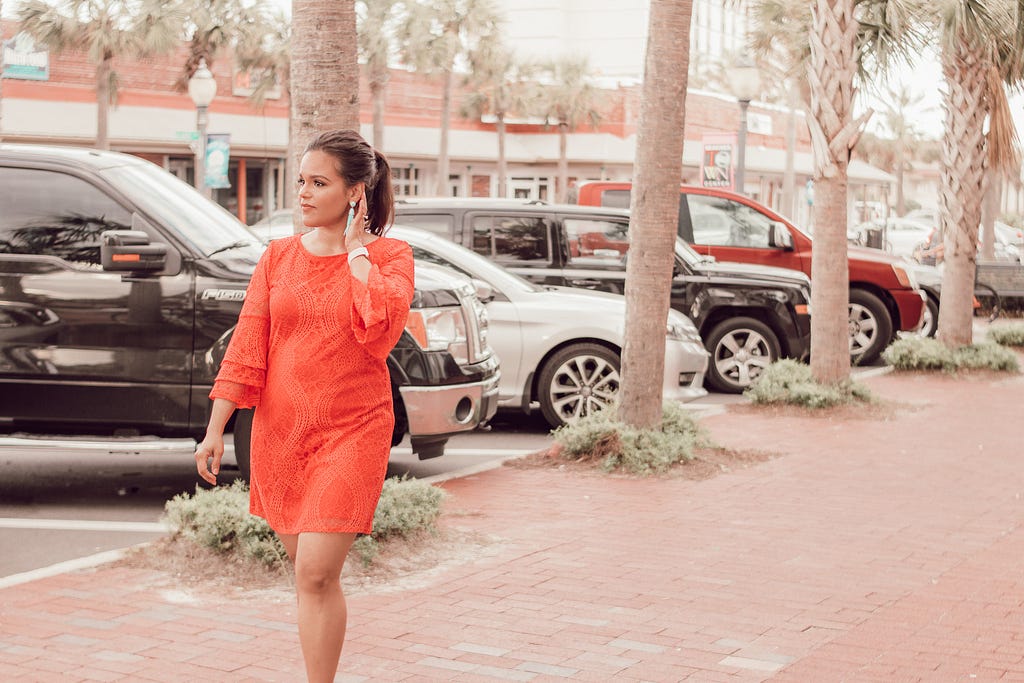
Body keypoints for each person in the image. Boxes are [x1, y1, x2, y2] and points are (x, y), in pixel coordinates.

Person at [194, 129, 415, 682]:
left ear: (356, 192)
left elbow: (378, 331)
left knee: (316, 573)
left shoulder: (392, 257)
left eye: (320, 183)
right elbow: (249, 343)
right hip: (280, 432)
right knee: (306, 573)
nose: (305, 194)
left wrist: (357, 255)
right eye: (302, 182)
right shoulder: (277, 257)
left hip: (353, 428)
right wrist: (216, 426)